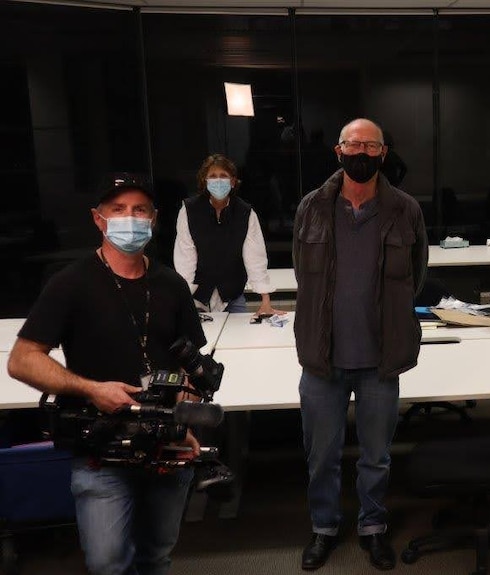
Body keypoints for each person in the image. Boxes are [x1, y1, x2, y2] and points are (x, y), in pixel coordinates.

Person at [7, 173, 205, 575]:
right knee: (107, 563)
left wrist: (189, 396)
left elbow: (190, 361)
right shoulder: (70, 283)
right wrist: (92, 389)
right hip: (100, 446)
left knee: (156, 555)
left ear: (154, 219)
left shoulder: (171, 283)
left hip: (165, 444)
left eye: (139, 210)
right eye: (118, 210)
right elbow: (22, 359)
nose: (129, 219)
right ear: (99, 219)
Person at [292, 118, 428, 571]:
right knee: (321, 457)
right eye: (354, 144)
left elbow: (416, 274)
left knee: (376, 457)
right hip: (322, 361)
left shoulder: (405, 209)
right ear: (338, 150)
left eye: (371, 145)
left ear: (384, 153)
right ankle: (324, 527)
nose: (362, 153)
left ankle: (373, 527)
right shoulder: (311, 208)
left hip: (380, 361)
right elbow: (302, 276)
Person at [174, 153, 278, 315]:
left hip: (232, 296)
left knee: (238, 338)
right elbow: (184, 259)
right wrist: (182, 301)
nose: (218, 180)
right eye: (213, 176)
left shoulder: (246, 212)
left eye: (223, 176)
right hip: (197, 296)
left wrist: (265, 301)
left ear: (233, 181)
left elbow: (255, 258)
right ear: (204, 180)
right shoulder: (189, 210)